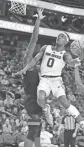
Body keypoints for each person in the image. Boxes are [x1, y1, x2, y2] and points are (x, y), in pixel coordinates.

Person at [16, 29, 84, 142]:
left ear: (66, 42)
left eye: (62, 37)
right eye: (59, 36)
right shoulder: (45, 48)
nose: (59, 37)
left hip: (56, 80)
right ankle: (46, 109)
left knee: (64, 102)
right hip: (44, 79)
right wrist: (24, 69)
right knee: (40, 99)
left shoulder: (65, 54)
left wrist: (81, 57)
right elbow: (35, 60)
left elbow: (71, 63)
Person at [16, 8, 45, 147]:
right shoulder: (28, 63)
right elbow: (34, 40)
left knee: (38, 130)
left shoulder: (37, 68)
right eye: (27, 53)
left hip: (37, 100)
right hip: (31, 99)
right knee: (33, 130)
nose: (29, 53)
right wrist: (38, 20)